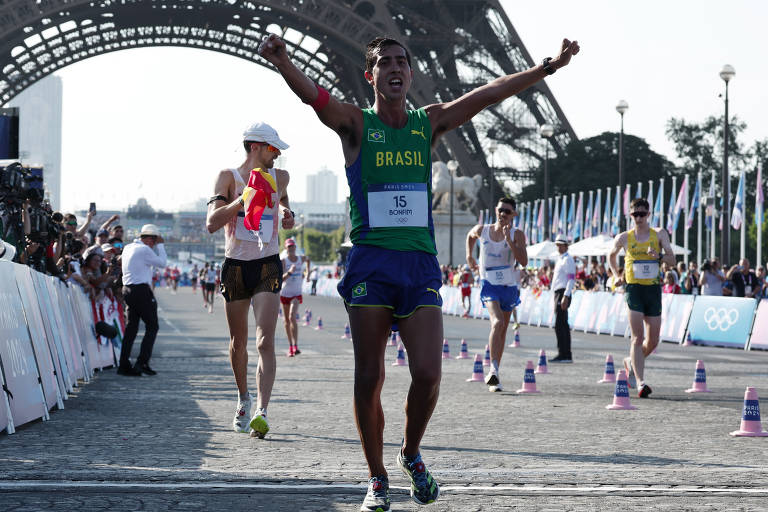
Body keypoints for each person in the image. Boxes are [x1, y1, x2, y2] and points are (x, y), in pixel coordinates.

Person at [259, 31, 579, 511]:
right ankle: (377, 478)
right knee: (369, 378)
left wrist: (545, 69)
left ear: (410, 74)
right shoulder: (356, 124)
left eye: (401, 62)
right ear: (371, 75)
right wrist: (284, 61)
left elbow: (487, 94)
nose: (394, 67)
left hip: (419, 267)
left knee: (428, 373)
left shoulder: (426, 123)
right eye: (384, 61)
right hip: (372, 263)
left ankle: (410, 453)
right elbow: (315, 98)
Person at [206, 121, 294, 439]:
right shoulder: (228, 177)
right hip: (236, 266)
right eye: (273, 149)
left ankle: (262, 410)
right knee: (238, 343)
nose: (278, 154)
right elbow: (212, 223)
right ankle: (243, 398)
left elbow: (286, 210)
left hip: (268, 263)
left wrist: (288, 215)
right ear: (255, 147)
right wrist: (240, 201)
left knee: (265, 341)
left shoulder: (280, 177)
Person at [608, 198, 675, 399]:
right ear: (630, 216)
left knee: (653, 341)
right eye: (635, 214)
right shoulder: (624, 238)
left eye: (642, 214)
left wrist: (659, 257)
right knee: (637, 337)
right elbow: (611, 256)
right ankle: (640, 383)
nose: (638, 218)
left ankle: (630, 362)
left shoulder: (659, 234)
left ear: (648, 215)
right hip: (634, 289)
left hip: (653, 290)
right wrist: (616, 275)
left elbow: (672, 260)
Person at [466, 197, 527, 391]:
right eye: (501, 210)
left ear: (513, 215)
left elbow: (524, 261)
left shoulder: (517, 234)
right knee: (497, 322)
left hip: (508, 285)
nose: (503, 214)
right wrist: (469, 255)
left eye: (507, 212)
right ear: (495, 209)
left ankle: (495, 372)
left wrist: (509, 239)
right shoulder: (482, 230)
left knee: (502, 330)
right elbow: (470, 235)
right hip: (489, 283)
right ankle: (492, 369)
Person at [119, 224, 167, 376]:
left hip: (127, 289)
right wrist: (161, 245)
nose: (154, 244)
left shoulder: (128, 247)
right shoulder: (144, 249)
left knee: (131, 328)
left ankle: (124, 364)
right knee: (152, 326)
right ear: (148, 239)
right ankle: (142, 362)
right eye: (154, 240)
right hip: (140, 290)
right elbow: (163, 263)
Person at [280, 238, 310, 356]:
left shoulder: (300, 259)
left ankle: (296, 345)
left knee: (292, 316)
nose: (291, 249)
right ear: (286, 249)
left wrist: (307, 274)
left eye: (292, 247)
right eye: (289, 247)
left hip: (296, 294)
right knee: (286, 320)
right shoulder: (283, 261)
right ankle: (291, 346)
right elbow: (280, 278)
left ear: (295, 248)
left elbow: (308, 259)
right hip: (285, 293)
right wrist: (289, 273)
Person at [550, 235, 575, 363]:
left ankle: (564, 354)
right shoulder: (560, 259)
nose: (559, 247)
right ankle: (564, 353)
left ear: (566, 246)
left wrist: (566, 295)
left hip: (562, 292)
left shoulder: (567, 260)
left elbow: (571, 279)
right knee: (561, 324)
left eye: (561, 245)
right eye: (557, 245)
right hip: (558, 292)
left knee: (560, 324)